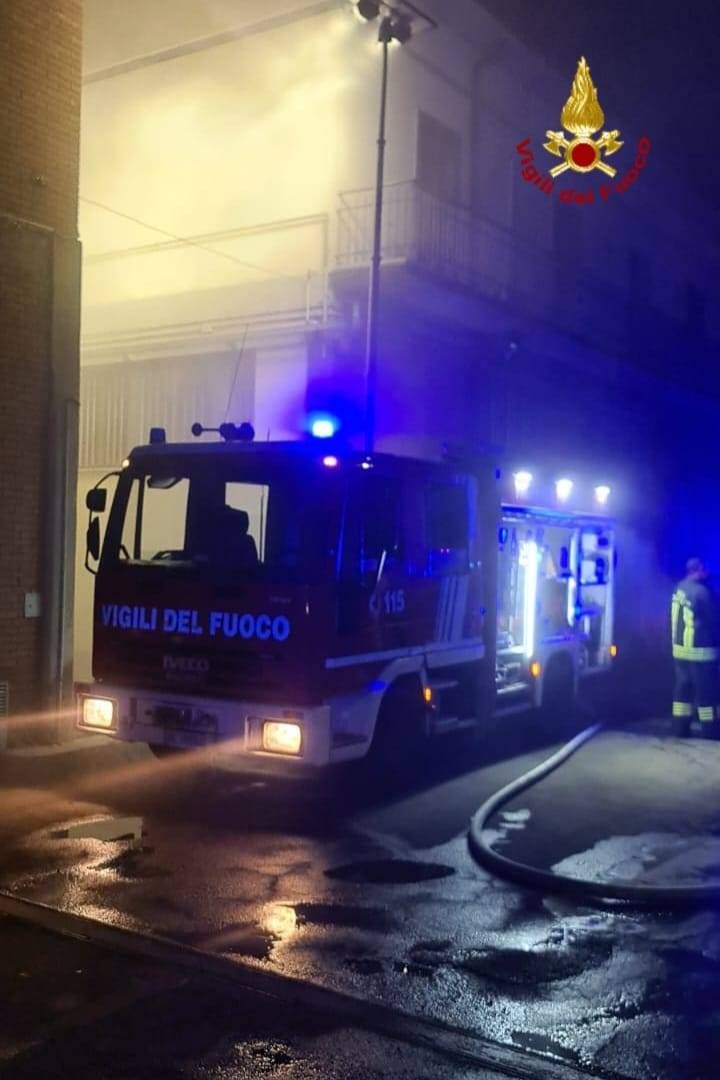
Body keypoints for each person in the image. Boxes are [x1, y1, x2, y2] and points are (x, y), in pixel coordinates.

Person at [671, 557, 720, 737]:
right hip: (701, 652)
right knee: (707, 693)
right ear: (697, 570)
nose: (706, 573)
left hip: (680, 651)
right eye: (703, 570)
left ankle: (680, 728)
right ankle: (711, 730)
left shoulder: (678, 588)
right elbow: (714, 621)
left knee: (683, 691)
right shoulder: (702, 592)